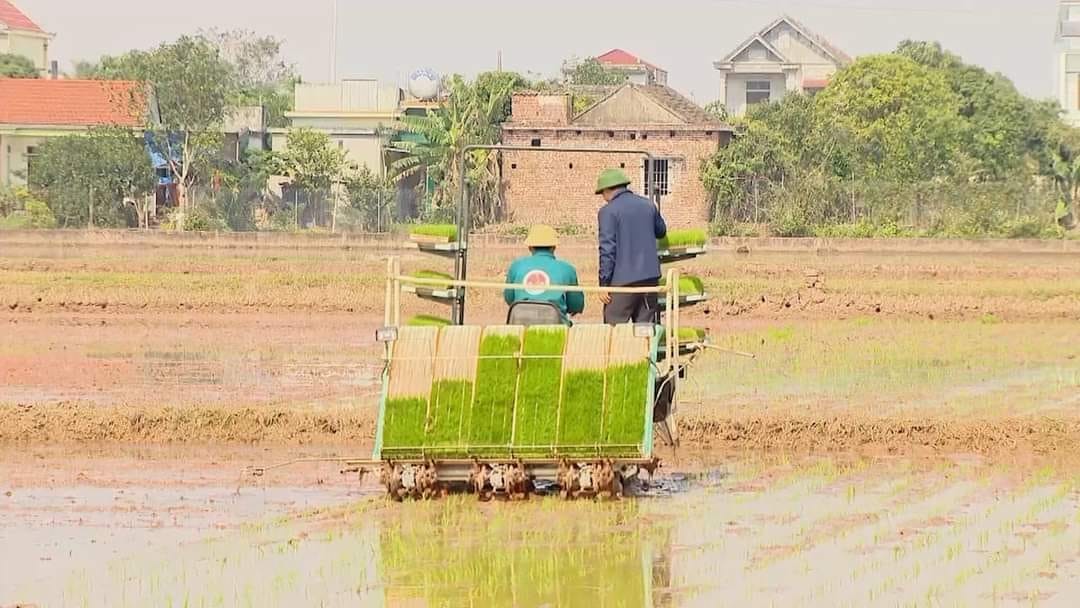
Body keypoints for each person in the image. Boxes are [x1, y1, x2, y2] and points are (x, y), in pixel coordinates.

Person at [595, 168, 667, 324]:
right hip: (649, 281)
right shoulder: (648, 205)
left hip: (622, 284)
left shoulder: (608, 212)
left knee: (614, 330)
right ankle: (644, 349)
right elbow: (661, 231)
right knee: (646, 330)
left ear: (607, 190)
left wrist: (604, 284)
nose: (604, 198)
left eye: (602, 194)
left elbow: (607, 250)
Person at [504, 225, 585, 324]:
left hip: (519, 324)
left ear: (530, 247)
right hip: (556, 327)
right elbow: (576, 305)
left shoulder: (516, 266)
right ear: (553, 247)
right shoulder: (567, 268)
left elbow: (509, 298)